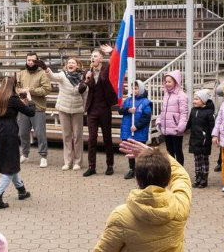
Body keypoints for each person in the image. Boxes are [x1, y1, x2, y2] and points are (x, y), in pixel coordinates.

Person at [0, 76, 34, 209]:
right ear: (13, 86)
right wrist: (29, 100)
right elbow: (30, 112)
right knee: (9, 165)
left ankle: (21, 191)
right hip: (8, 130)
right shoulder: (13, 99)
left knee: (10, 161)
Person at [78, 44, 116, 177]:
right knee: (92, 140)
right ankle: (91, 166)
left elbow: (116, 63)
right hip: (92, 110)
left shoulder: (106, 69)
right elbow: (80, 90)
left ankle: (110, 165)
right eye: (91, 56)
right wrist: (86, 80)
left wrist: (112, 52)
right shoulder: (87, 73)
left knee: (107, 139)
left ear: (101, 58)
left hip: (105, 109)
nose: (92, 58)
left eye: (95, 56)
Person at [48, 57, 87, 170]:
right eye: (69, 63)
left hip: (78, 110)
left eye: (73, 63)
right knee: (66, 136)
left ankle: (78, 162)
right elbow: (53, 77)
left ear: (77, 65)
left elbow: (86, 93)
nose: (70, 64)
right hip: (63, 109)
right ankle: (68, 162)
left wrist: (84, 107)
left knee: (77, 136)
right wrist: (47, 69)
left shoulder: (82, 77)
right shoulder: (62, 75)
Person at [15, 52, 52, 168]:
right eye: (28, 60)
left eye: (32, 60)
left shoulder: (42, 74)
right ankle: (25, 154)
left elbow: (47, 89)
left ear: (37, 61)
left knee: (40, 133)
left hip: (38, 107)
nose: (30, 62)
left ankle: (43, 156)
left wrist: (31, 90)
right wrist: (20, 91)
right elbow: (15, 87)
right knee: (23, 132)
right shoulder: (21, 73)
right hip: (23, 107)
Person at [119, 80, 152, 180]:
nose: (134, 90)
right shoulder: (128, 100)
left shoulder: (146, 102)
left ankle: (142, 170)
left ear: (140, 89)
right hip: (128, 130)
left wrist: (137, 126)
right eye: (132, 88)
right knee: (130, 150)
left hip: (139, 131)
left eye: (136, 88)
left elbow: (146, 118)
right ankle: (132, 169)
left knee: (140, 152)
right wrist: (128, 110)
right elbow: (120, 111)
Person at [156, 71, 189, 165]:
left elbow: (184, 113)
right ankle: (171, 170)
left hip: (176, 129)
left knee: (178, 151)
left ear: (176, 82)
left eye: (169, 82)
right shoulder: (166, 95)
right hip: (166, 129)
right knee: (169, 151)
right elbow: (163, 111)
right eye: (166, 82)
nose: (167, 84)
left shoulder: (182, 96)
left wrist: (180, 127)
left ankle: (180, 170)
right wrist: (159, 121)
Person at [188, 89, 215, 188]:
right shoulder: (193, 110)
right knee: (197, 159)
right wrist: (181, 129)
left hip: (204, 140)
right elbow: (189, 123)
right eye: (194, 99)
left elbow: (212, 126)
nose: (194, 101)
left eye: (196, 99)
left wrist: (213, 136)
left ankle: (204, 178)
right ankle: (198, 177)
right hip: (194, 139)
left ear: (203, 100)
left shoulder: (209, 112)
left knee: (204, 159)